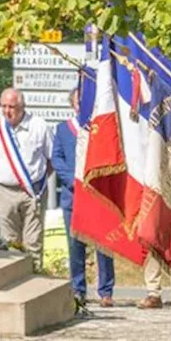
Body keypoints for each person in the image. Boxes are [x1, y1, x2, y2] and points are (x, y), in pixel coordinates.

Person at [0, 87, 53, 270]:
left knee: (33, 242)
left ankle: (35, 282)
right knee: (10, 242)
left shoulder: (39, 126)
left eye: (11, 107)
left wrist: (37, 181)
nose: (7, 111)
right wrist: (4, 176)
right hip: (4, 191)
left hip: (33, 192)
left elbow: (51, 158)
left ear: (22, 106)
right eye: (4, 106)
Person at [51, 111, 114, 307]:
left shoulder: (101, 126)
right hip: (73, 197)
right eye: (78, 101)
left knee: (103, 247)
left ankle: (106, 291)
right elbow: (57, 159)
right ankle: (78, 289)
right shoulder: (63, 129)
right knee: (75, 246)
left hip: (98, 196)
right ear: (73, 104)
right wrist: (73, 181)